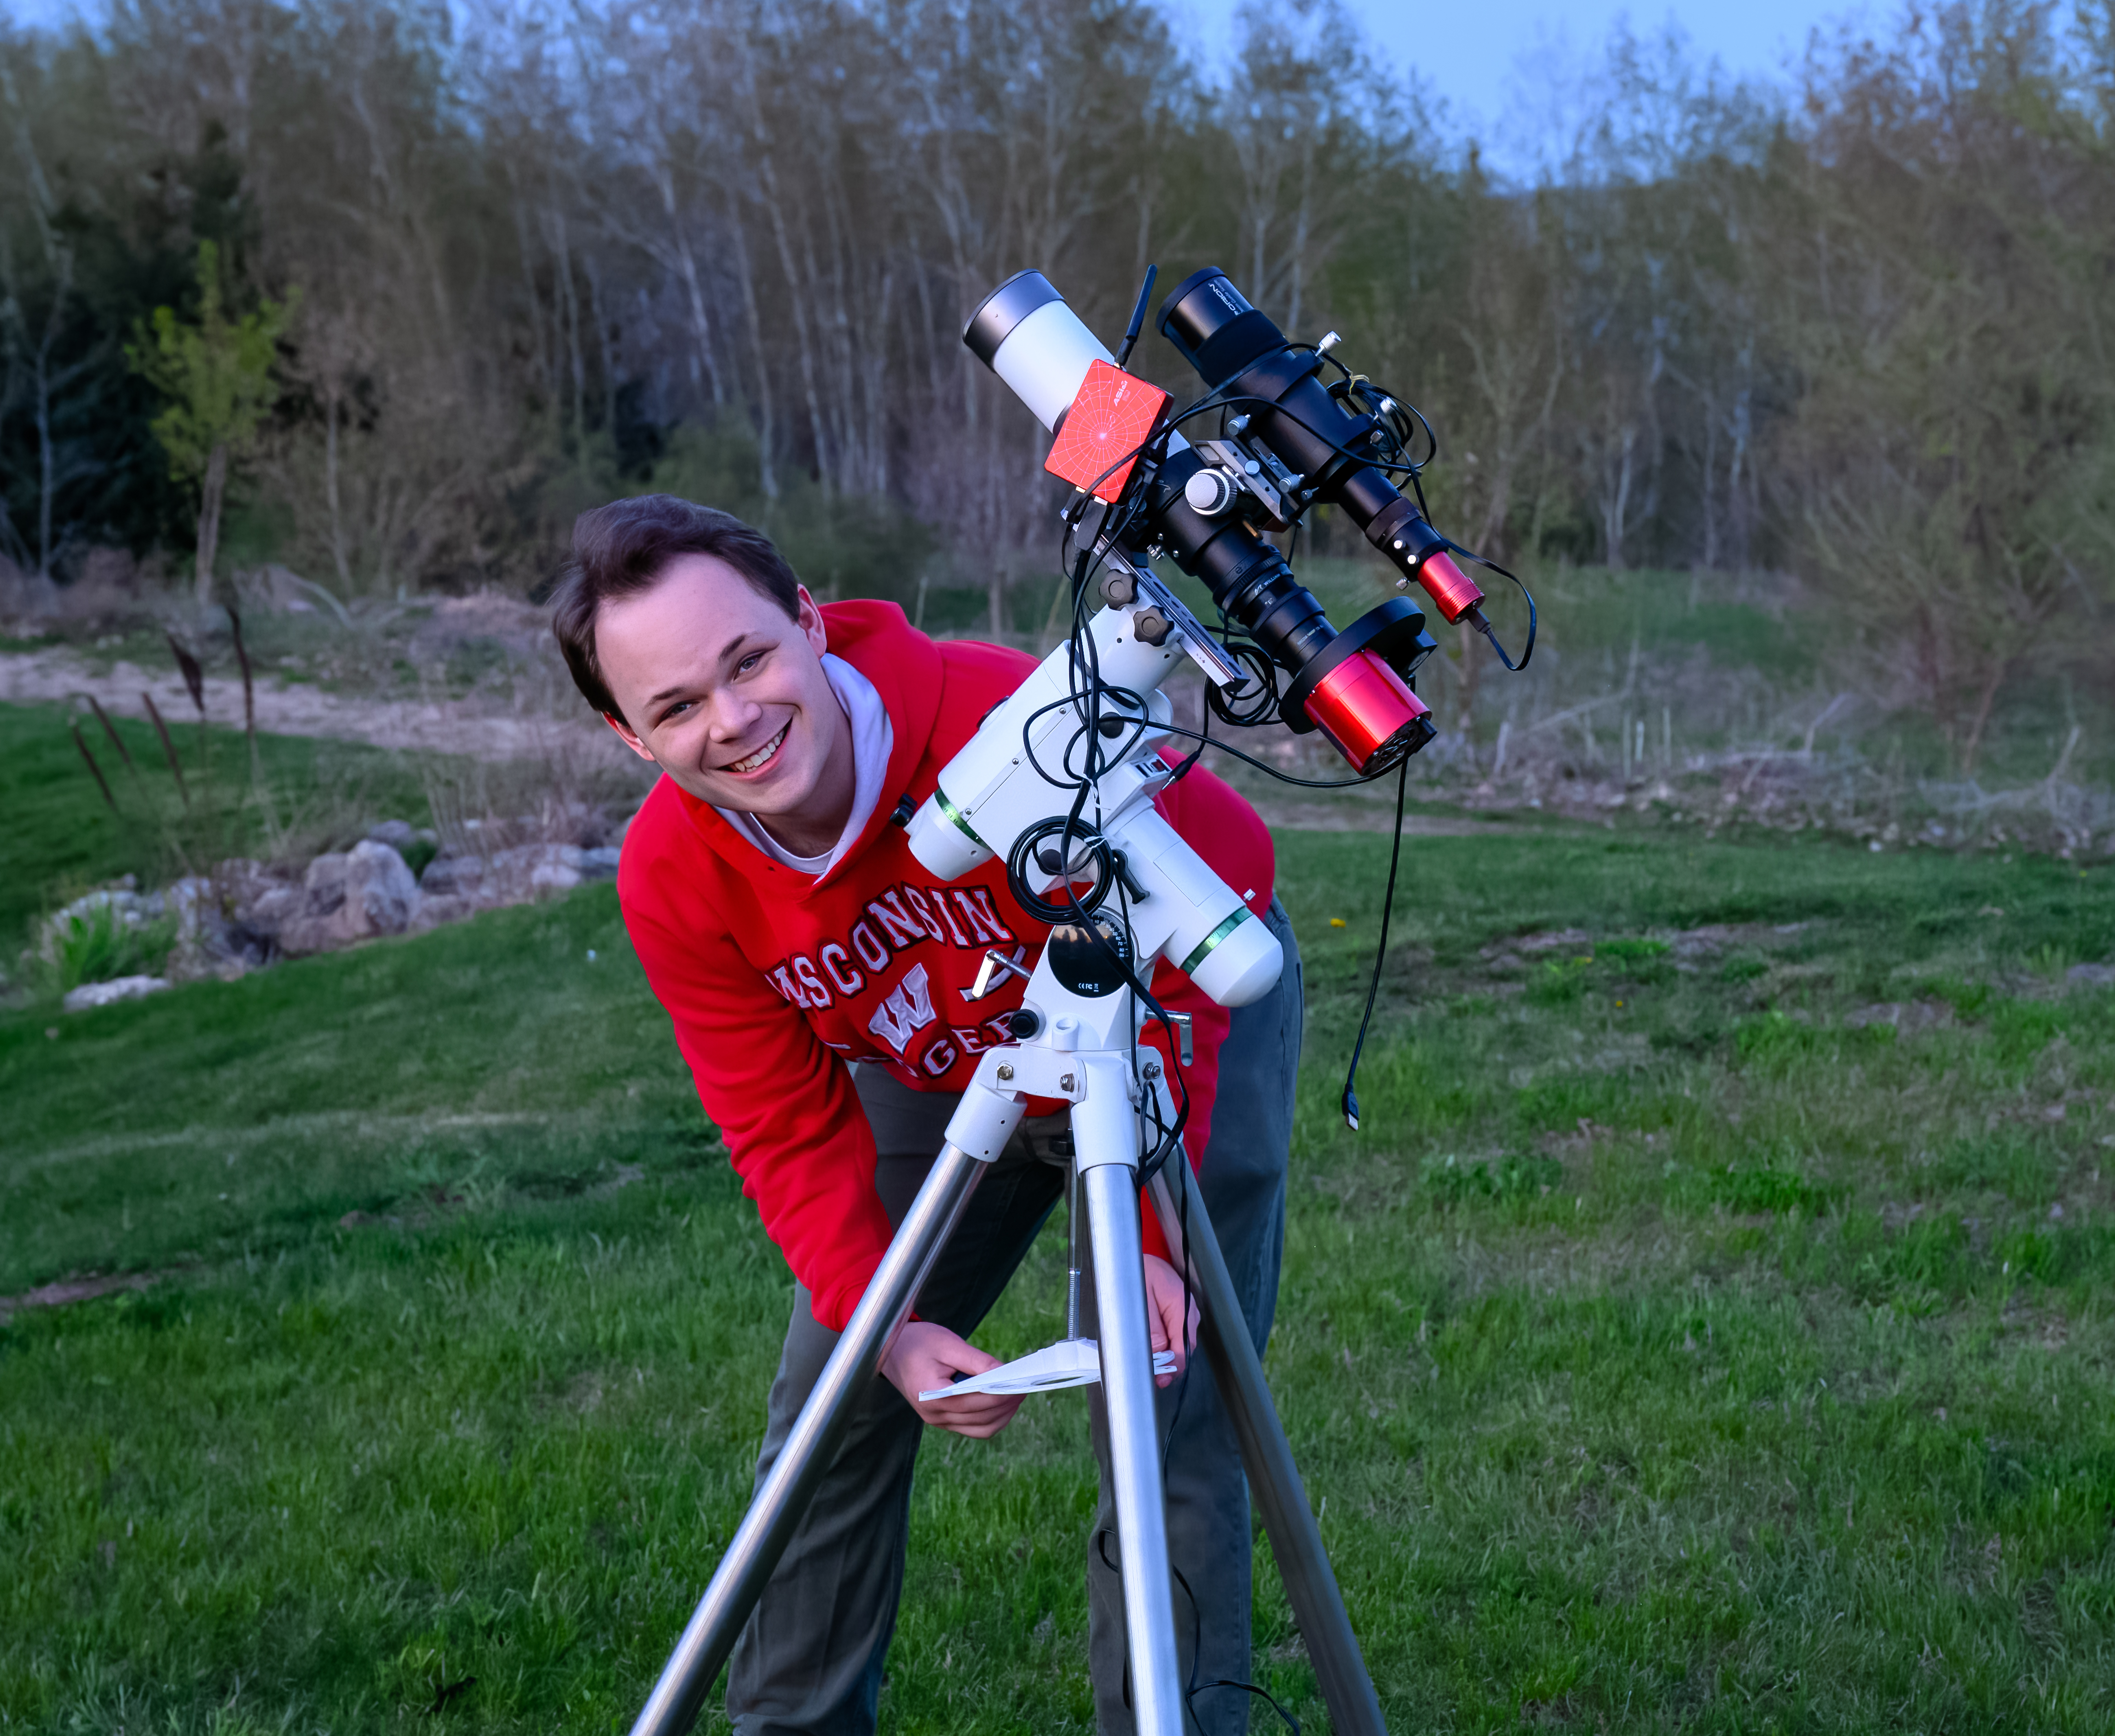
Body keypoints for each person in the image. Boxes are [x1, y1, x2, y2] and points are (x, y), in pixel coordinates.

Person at [551, 494, 1303, 1736]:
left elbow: (1229, 855)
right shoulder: (672, 876)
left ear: (806, 620)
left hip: (1163, 1011)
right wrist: (889, 1330)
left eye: (748, 659)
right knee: (835, 1398)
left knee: (1164, 1407)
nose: (733, 721)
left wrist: (1164, 1240)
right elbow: (782, 1126)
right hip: (938, 1060)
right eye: (675, 706)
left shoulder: (989, 718)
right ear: (628, 735)